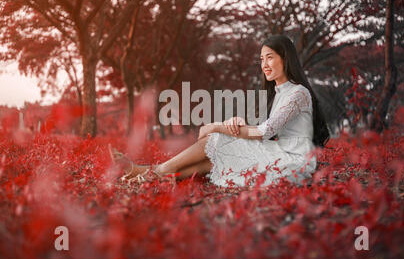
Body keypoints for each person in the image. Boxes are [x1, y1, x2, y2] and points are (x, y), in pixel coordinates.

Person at [110, 34, 330, 187]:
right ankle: (152, 176)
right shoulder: (279, 92)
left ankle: (147, 172)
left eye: (270, 57)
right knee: (215, 157)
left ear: (286, 58)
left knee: (216, 140)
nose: (264, 64)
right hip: (279, 152)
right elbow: (266, 129)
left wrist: (218, 126)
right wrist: (235, 121)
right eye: (261, 59)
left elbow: (264, 131)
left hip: (292, 161)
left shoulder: (298, 92)